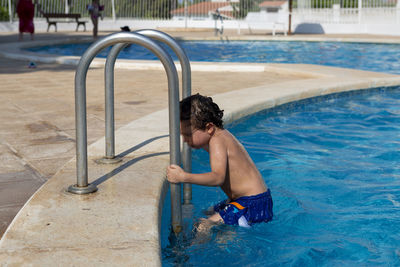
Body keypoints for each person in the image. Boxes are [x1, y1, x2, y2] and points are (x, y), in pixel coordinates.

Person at [167, 94, 273, 230]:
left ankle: (193, 251)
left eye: (188, 134)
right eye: (182, 135)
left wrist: (183, 177)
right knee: (208, 213)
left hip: (252, 204)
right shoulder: (215, 135)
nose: (184, 139)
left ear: (209, 127)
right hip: (246, 200)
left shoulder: (218, 140)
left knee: (202, 226)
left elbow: (218, 177)